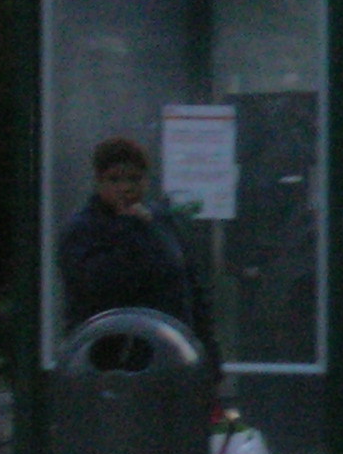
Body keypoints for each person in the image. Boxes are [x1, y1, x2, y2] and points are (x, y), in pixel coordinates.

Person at [56, 136, 220, 363]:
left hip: (168, 354)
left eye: (134, 178)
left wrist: (208, 352)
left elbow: (190, 288)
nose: (126, 188)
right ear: (98, 182)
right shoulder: (83, 230)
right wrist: (129, 229)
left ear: (145, 180)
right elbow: (98, 286)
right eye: (114, 180)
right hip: (108, 360)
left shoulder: (161, 222)